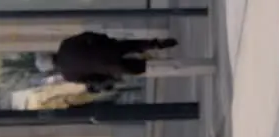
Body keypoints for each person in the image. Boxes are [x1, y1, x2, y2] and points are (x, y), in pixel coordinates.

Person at [36, 32, 179, 91]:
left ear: (50, 68)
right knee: (131, 45)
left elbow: (94, 80)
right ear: (50, 54)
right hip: (109, 49)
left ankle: (164, 65)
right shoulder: (66, 45)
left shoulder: (69, 75)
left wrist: (110, 79)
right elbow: (89, 35)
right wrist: (106, 40)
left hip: (112, 68)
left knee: (139, 68)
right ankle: (156, 44)